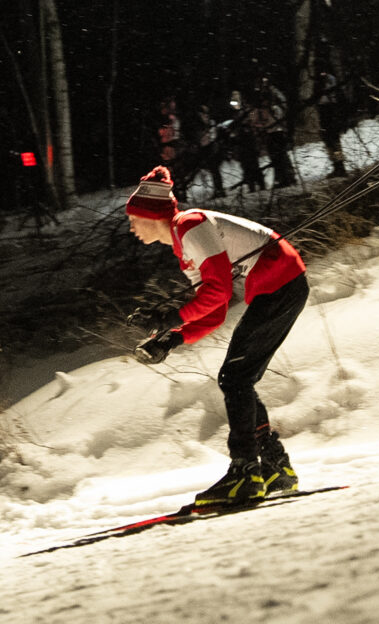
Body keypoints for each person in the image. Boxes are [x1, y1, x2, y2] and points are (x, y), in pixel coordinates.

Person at [126, 165, 309, 506]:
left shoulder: (190, 225)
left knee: (235, 378)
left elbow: (219, 292)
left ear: (152, 216)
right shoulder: (183, 245)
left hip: (280, 283)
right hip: (279, 285)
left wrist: (171, 318)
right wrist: (173, 337)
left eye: (135, 217)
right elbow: (216, 311)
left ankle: (245, 473)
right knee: (237, 377)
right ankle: (272, 467)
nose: (132, 225)